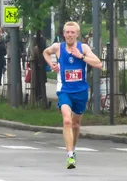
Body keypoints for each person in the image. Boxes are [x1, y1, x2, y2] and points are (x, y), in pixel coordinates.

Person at [43, 21, 103, 169]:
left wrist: (81, 56)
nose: (69, 35)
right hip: (64, 90)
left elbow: (98, 64)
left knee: (76, 124)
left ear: (77, 34)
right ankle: (70, 156)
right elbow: (46, 52)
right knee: (67, 121)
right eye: (67, 32)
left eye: (72, 32)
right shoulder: (58, 47)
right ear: (64, 34)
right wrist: (52, 65)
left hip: (81, 91)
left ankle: (73, 149)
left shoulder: (83, 48)